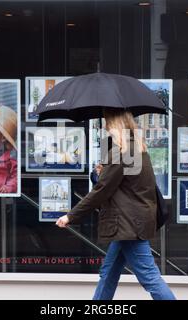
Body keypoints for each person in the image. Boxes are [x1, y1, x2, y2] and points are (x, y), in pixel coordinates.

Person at [56, 108, 176, 300]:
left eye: (108, 122)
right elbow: (123, 186)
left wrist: (71, 215)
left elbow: (102, 190)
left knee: (150, 278)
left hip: (127, 224)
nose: (105, 126)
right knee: (108, 273)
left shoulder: (122, 152)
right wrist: (101, 173)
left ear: (116, 124)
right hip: (131, 222)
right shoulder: (136, 148)